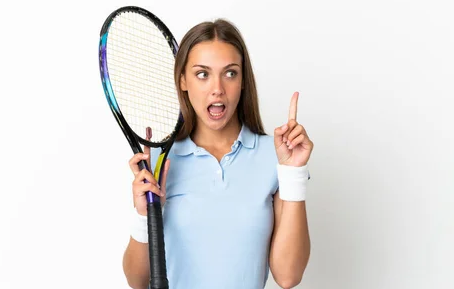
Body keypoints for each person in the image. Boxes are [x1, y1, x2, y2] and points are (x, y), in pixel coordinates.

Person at [122, 19, 313, 289]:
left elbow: (288, 276)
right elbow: (138, 281)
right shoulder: (161, 162)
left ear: (243, 80)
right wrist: (144, 215)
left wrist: (293, 173)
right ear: (183, 81)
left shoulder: (276, 157)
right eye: (202, 74)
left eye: (230, 73)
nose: (217, 88)